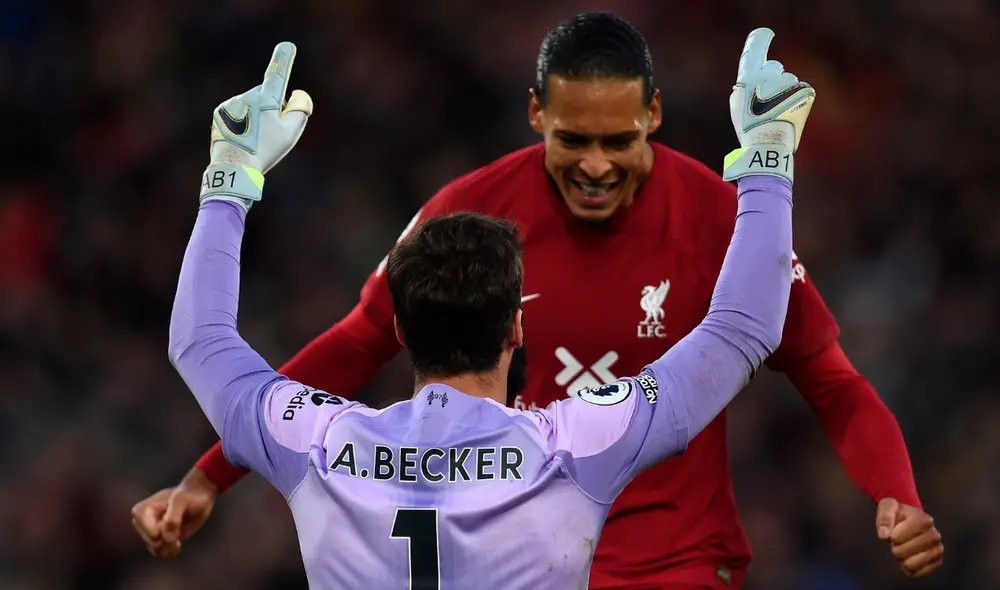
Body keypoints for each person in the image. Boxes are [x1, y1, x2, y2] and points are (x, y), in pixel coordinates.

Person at [133, 13, 944, 588]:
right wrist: (767, 157)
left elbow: (831, 379)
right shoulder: (471, 222)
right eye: (573, 139)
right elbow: (740, 330)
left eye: (618, 140)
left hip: (669, 565)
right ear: (535, 116)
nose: (595, 165)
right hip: (512, 549)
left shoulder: (710, 218)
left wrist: (896, 492)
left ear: (654, 115)